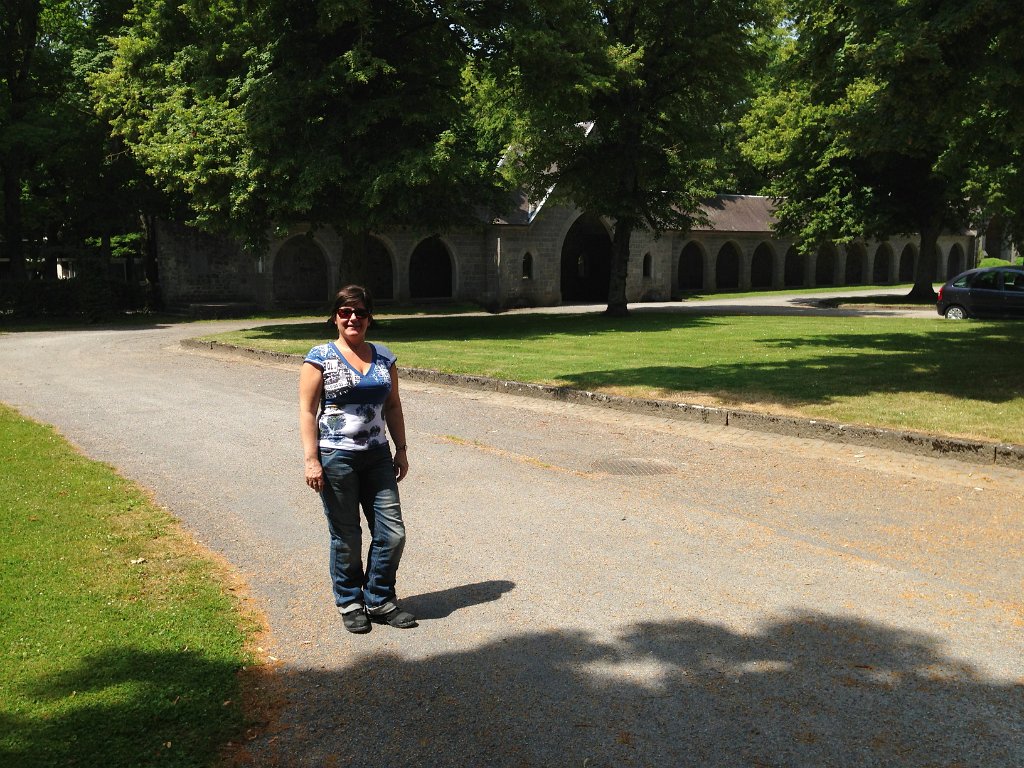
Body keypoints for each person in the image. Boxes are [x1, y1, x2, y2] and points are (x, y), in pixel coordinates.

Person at [299, 285, 416, 633]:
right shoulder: (320, 357)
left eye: (361, 312)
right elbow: (307, 411)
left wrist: (401, 449)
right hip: (336, 457)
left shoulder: (384, 357)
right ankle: (350, 601)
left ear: (369, 318)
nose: (353, 318)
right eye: (346, 312)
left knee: (392, 533)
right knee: (346, 535)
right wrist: (311, 460)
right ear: (335, 317)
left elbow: (393, 405)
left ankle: (378, 599)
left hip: (377, 455)